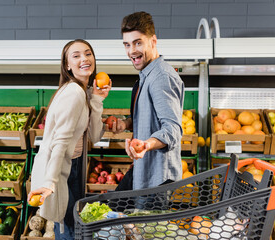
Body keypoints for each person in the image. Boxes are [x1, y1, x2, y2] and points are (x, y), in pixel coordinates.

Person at [28, 39, 111, 239]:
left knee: (72, 225)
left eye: (88, 53)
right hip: (58, 169)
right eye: (76, 56)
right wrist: (50, 181)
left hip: (72, 165)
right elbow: (60, 141)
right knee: (70, 229)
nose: (84, 59)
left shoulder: (83, 91)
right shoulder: (73, 92)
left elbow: (93, 136)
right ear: (67, 65)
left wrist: (97, 99)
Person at [111, 11, 184, 190]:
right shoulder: (147, 75)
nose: (131, 51)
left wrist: (147, 144)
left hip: (157, 180)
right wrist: (127, 123)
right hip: (144, 171)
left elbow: (172, 129)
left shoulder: (161, 77)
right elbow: (151, 117)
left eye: (138, 43)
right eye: (127, 45)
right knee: (112, 211)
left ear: (153, 41)